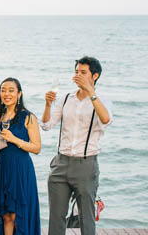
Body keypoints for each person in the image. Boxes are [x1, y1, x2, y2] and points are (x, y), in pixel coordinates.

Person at [41, 57, 113, 235]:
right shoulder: (67, 98)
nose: (78, 75)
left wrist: (90, 91)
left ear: (94, 76)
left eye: (83, 72)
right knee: (56, 218)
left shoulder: (102, 99)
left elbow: (106, 119)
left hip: (85, 165)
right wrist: (48, 104)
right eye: (76, 72)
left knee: (86, 217)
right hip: (61, 163)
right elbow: (46, 124)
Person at [0, 78, 41, 235]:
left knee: (19, 214)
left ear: (19, 94)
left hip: (21, 169)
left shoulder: (28, 117)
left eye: (11, 90)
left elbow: (36, 148)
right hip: (3, 168)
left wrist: (14, 139)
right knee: (5, 215)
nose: (6, 93)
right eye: (3, 90)